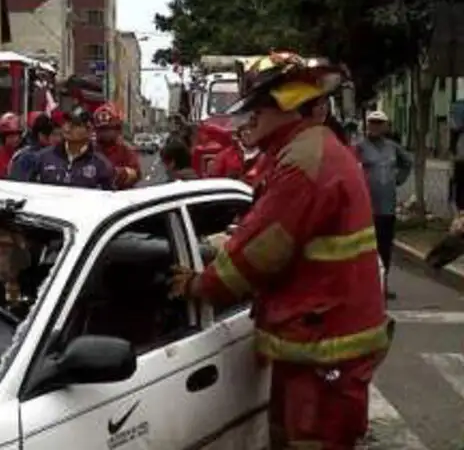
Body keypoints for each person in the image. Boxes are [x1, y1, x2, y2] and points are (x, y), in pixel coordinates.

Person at [169, 52, 392, 449]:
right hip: (320, 343)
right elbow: (270, 233)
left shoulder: (305, 161)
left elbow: (259, 253)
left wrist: (199, 285)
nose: (247, 119)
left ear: (289, 106)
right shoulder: (306, 151)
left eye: (258, 107)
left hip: (325, 351)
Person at [356, 110, 412, 300]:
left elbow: (407, 163)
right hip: (366, 207)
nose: (375, 127)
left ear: (386, 126)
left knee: (385, 247)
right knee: (365, 248)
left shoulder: (392, 147)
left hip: (387, 207)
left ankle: (383, 285)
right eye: (372, 123)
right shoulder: (359, 147)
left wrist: (397, 180)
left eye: (379, 123)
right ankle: (365, 286)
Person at [10, 106, 114, 189]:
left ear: (89, 130)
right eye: (67, 122)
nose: (68, 128)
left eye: (75, 124)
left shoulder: (101, 165)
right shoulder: (40, 158)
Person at [93, 103, 141, 189]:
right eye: (101, 129)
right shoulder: (89, 149)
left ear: (117, 129)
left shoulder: (126, 150)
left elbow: (135, 174)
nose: (105, 133)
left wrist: (119, 174)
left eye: (109, 129)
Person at [8, 112, 58, 180]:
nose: (58, 139)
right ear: (41, 136)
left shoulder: (59, 154)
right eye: (55, 135)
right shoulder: (26, 157)